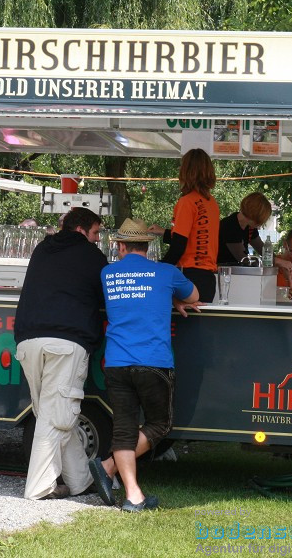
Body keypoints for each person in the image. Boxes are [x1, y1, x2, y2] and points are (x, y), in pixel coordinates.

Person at [89, 218, 200, 512]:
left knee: (123, 429)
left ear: (121, 246)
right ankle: (117, 476)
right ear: (148, 248)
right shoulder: (166, 273)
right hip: (154, 361)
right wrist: (173, 300)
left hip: (116, 361)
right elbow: (194, 296)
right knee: (159, 425)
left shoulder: (107, 273)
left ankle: (127, 487)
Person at [13, 207, 107, 501]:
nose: (97, 239)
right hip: (66, 342)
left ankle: (80, 481)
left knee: (52, 413)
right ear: (81, 231)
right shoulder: (92, 257)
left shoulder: (42, 249)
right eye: (95, 233)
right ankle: (40, 488)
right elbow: (108, 297)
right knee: (58, 416)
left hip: (28, 341)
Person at [149, 149, 220, 302]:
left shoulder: (187, 202)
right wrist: (165, 233)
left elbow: (179, 245)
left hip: (190, 277)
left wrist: (158, 269)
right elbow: (196, 237)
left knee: (179, 324)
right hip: (208, 278)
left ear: (186, 172)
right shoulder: (211, 203)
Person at [217, 192, 272, 264]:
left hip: (237, 272)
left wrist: (277, 260)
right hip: (223, 271)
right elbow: (242, 259)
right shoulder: (229, 225)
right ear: (256, 215)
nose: (261, 225)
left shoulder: (250, 227)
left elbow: (263, 250)